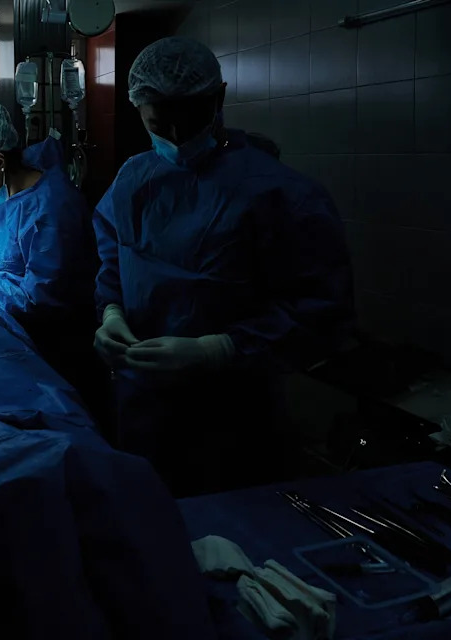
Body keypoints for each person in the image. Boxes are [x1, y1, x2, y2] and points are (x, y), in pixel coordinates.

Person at [93, 37, 355, 497]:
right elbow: (115, 254)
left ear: (219, 98)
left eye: (187, 120)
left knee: (235, 539)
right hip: (142, 406)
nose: (174, 135)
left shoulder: (280, 194)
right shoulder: (135, 177)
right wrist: (111, 312)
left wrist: (220, 349)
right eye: (159, 122)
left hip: (234, 414)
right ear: (139, 110)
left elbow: (320, 310)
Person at [0, 105, 99, 405]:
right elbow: (12, 244)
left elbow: (43, 297)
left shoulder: (53, 206)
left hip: (50, 350)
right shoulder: (5, 192)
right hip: (5, 330)